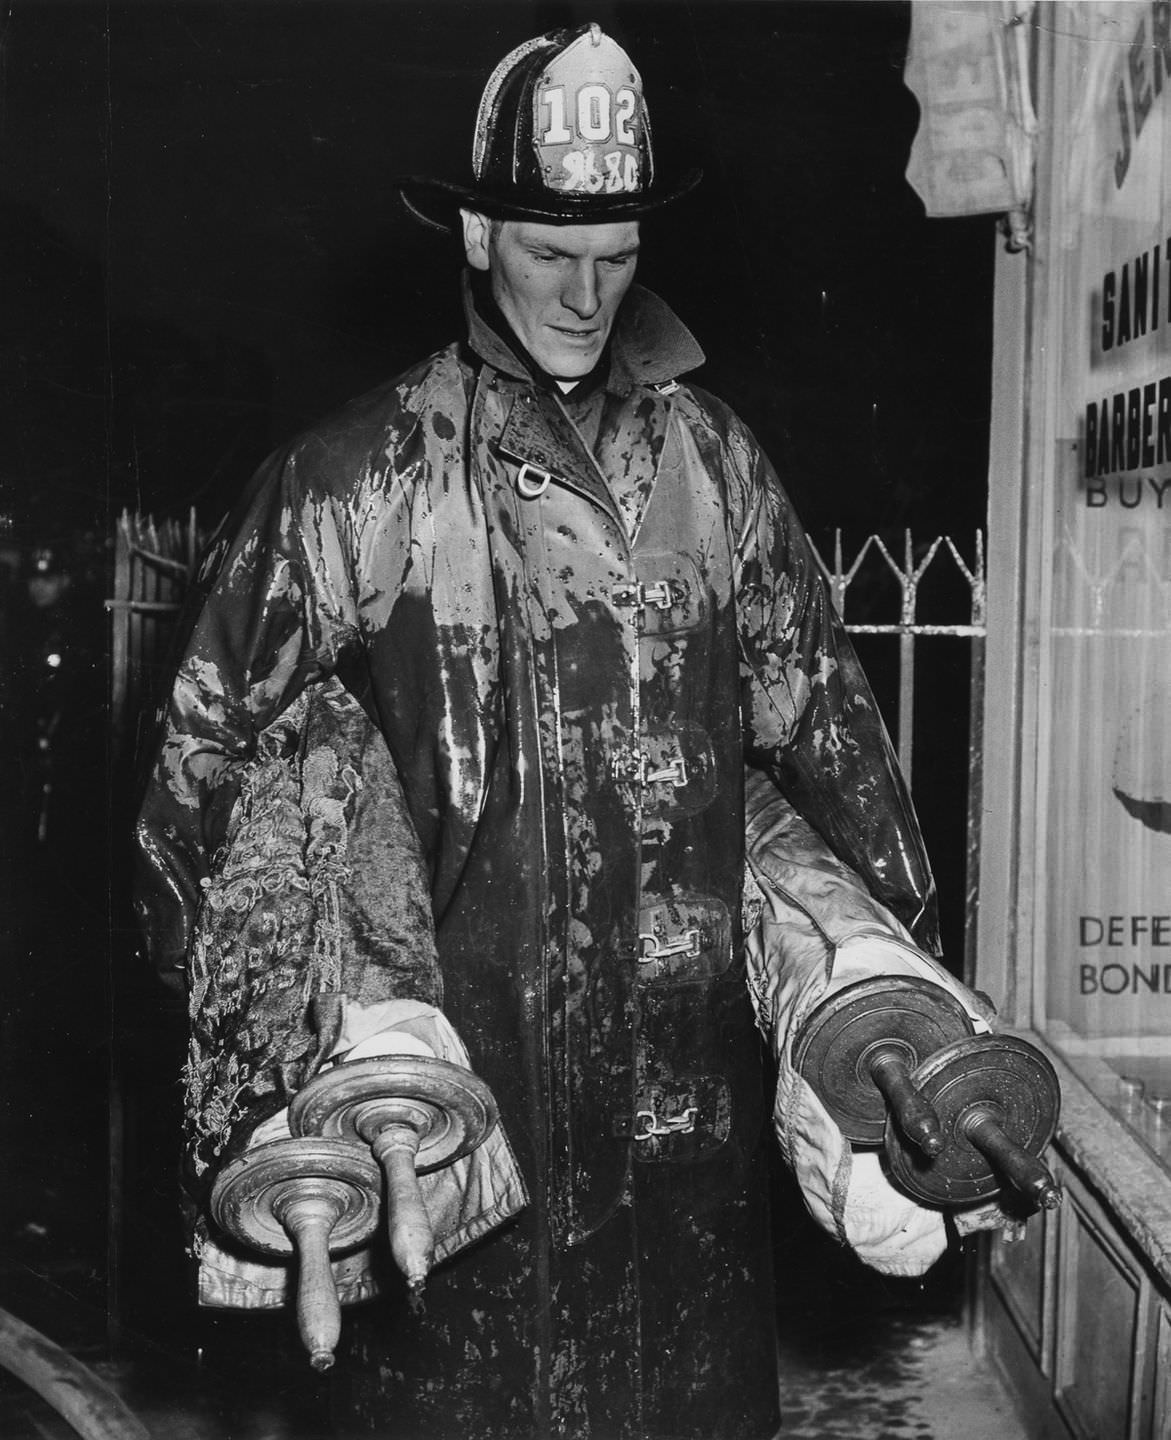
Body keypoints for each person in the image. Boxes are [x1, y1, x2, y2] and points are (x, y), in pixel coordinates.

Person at [135, 22, 996, 1440]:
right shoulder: (353, 482)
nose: (588, 294)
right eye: (548, 253)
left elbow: (832, 756)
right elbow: (201, 799)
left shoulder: (720, 470)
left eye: (615, 254)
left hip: (690, 1194)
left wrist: (882, 1003)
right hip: (455, 1178)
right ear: (475, 234)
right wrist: (312, 1051)